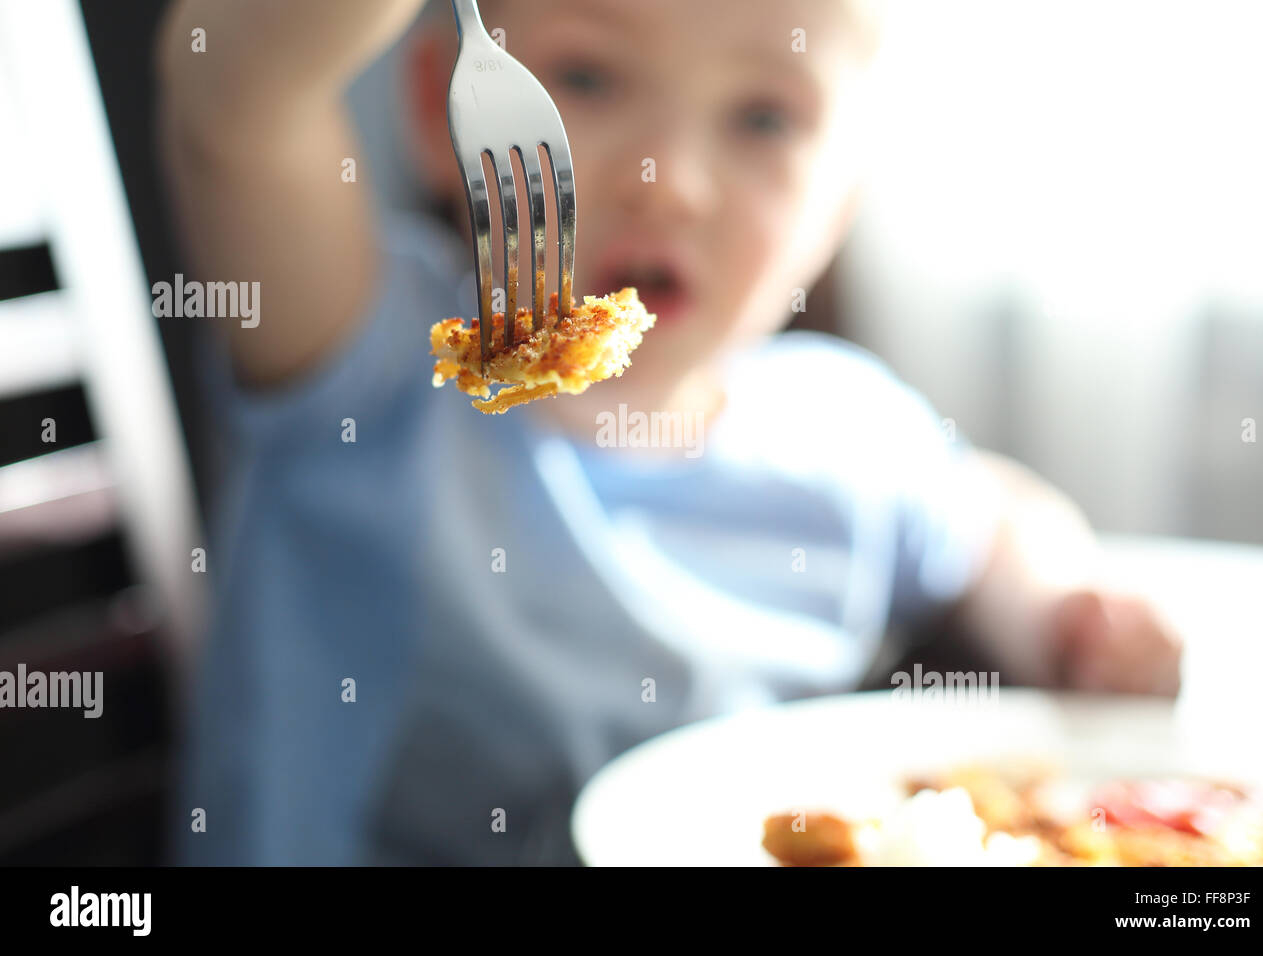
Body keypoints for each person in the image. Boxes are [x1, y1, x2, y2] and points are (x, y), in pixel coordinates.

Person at [155, 0, 1181, 865]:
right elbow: (237, 109)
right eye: (590, 80)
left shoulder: (838, 429)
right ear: (436, 106)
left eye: (764, 119)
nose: (668, 181)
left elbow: (993, 518)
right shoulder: (368, 362)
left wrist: (1065, 606)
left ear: (844, 192)